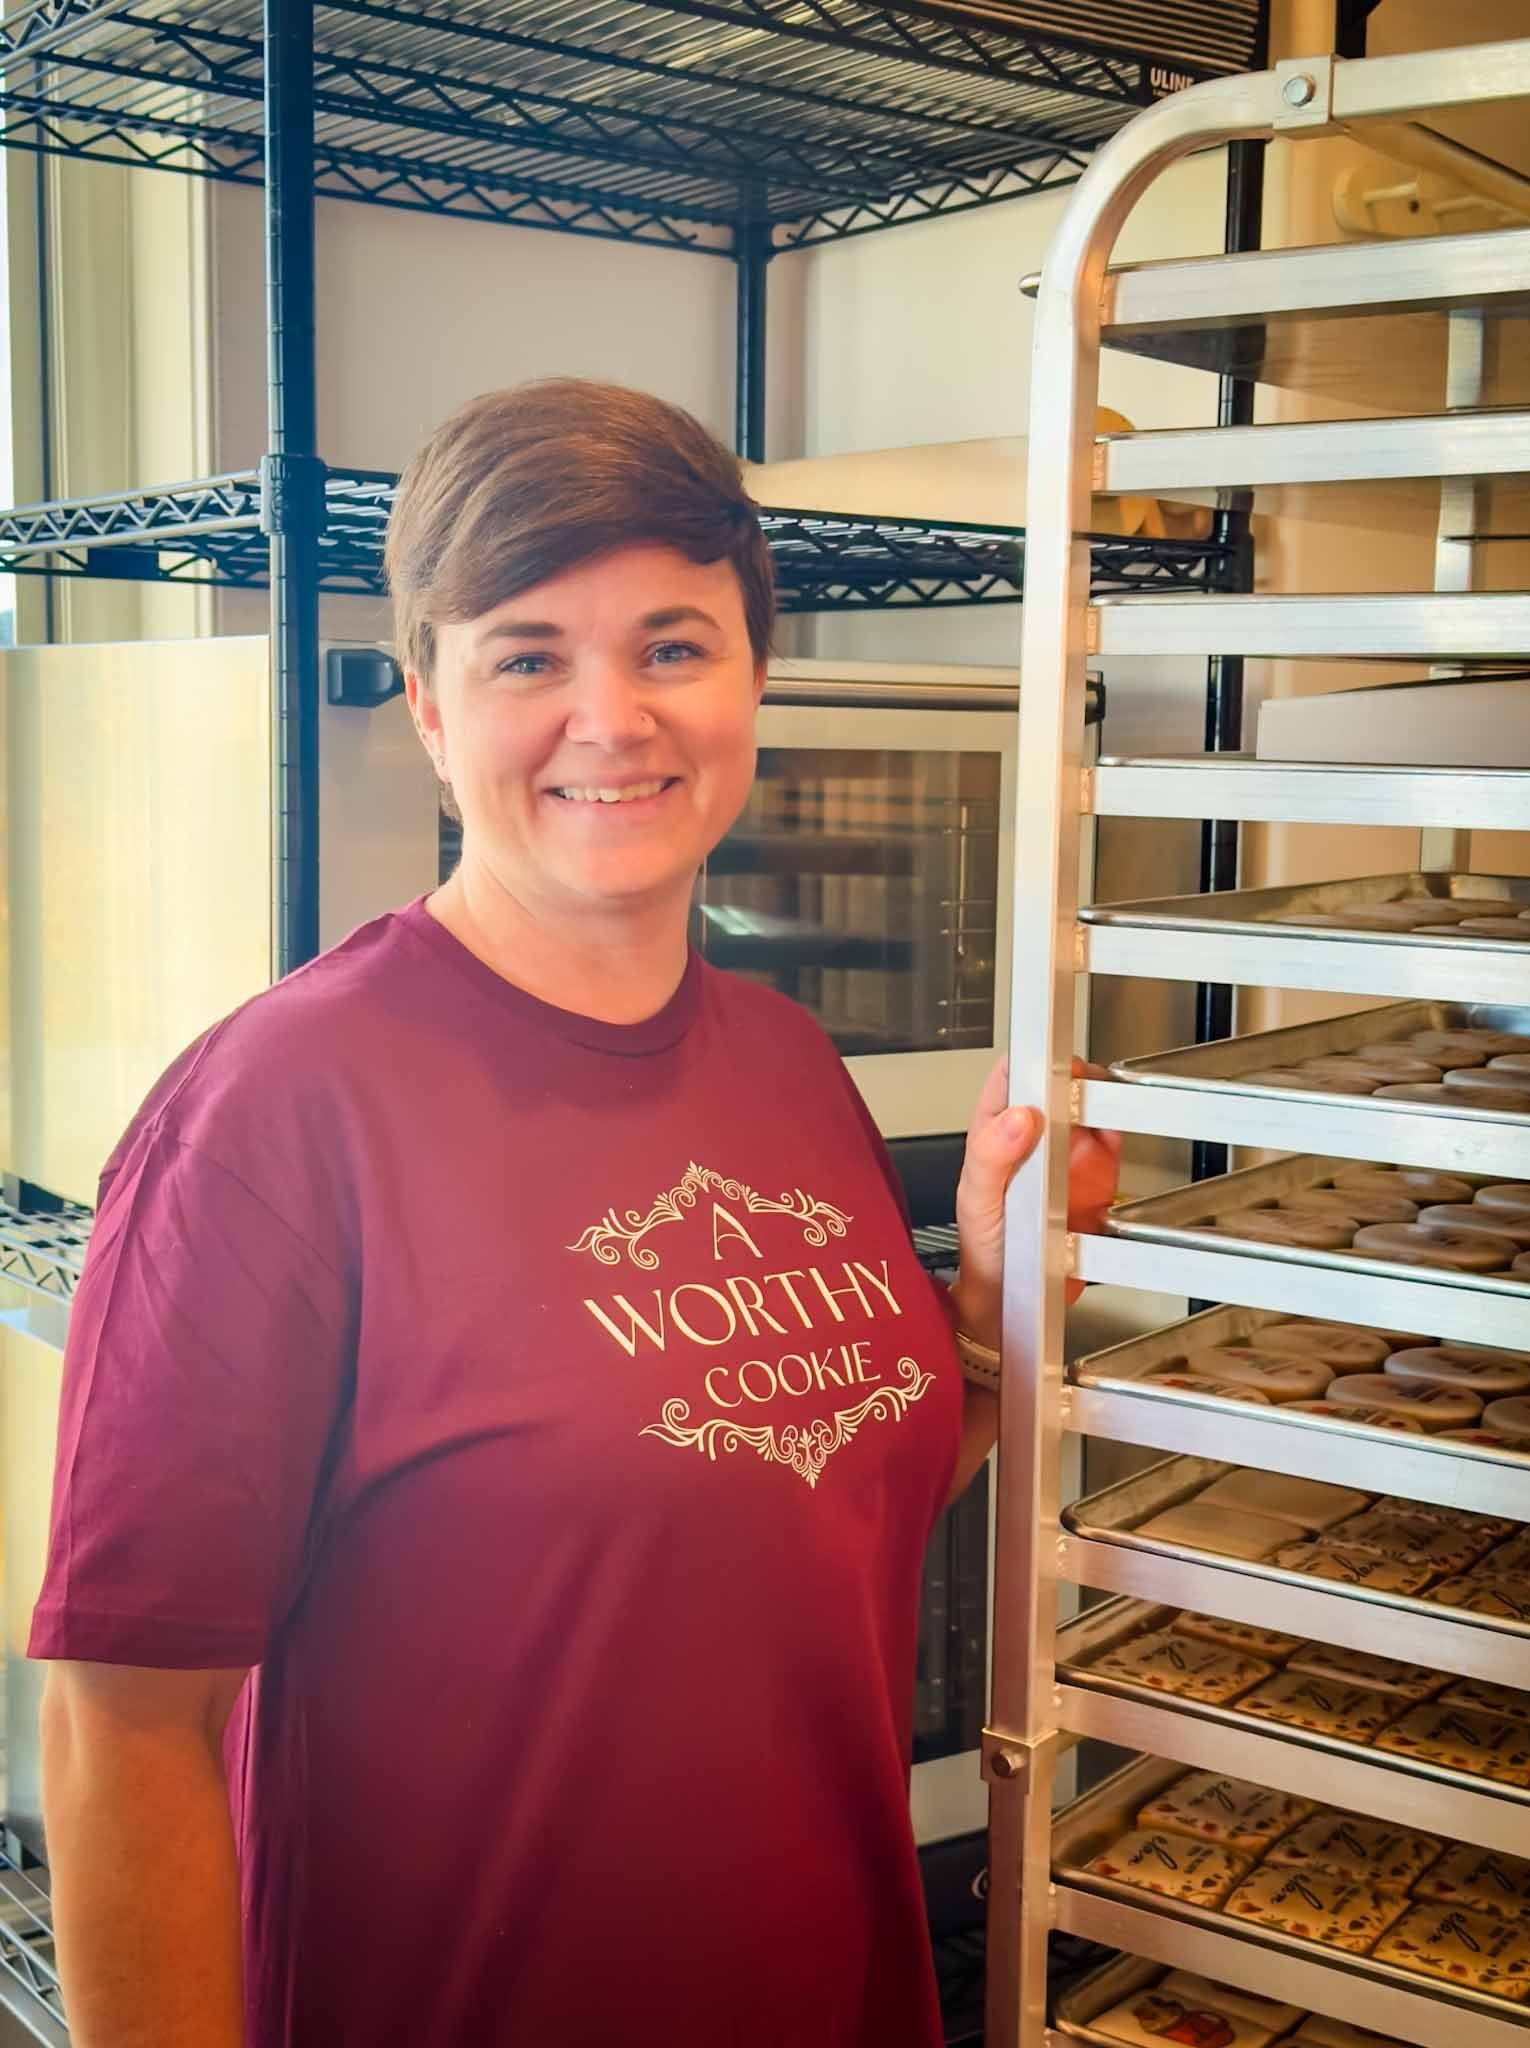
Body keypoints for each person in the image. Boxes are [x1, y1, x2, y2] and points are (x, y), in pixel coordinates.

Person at [30, 379, 1119, 2048]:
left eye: (673, 646)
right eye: (528, 655)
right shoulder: (277, 1114)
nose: (612, 718)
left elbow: (789, 1491)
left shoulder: (782, 1058)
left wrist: (982, 1304)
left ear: (754, 679)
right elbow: (124, 1720)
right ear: (430, 708)